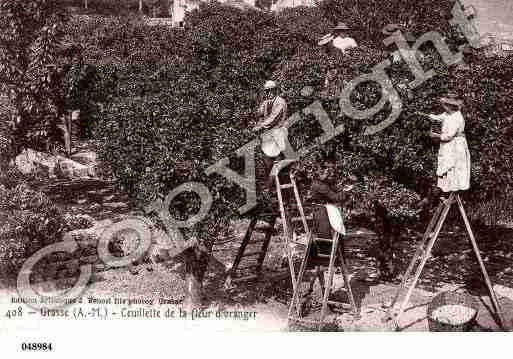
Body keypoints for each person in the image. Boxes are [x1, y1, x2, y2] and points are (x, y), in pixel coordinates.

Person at [428, 93, 471, 193]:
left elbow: (448, 136)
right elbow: (439, 117)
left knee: (453, 164)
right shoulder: (447, 114)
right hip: (448, 145)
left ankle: (453, 187)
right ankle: (446, 188)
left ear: (451, 106)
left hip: (456, 145)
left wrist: (435, 135)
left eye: (445, 105)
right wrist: (429, 116)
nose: (444, 107)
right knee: (446, 163)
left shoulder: (457, 117)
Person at [253, 80, 288, 188]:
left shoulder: (280, 102)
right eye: (267, 91)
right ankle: (272, 185)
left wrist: (260, 125)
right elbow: (259, 113)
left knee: (276, 162)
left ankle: (270, 186)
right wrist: (259, 111)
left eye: (271, 90)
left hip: (279, 134)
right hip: (269, 136)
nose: (269, 93)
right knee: (267, 161)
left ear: (275, 90)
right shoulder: (267, 102)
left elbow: (273, 119)